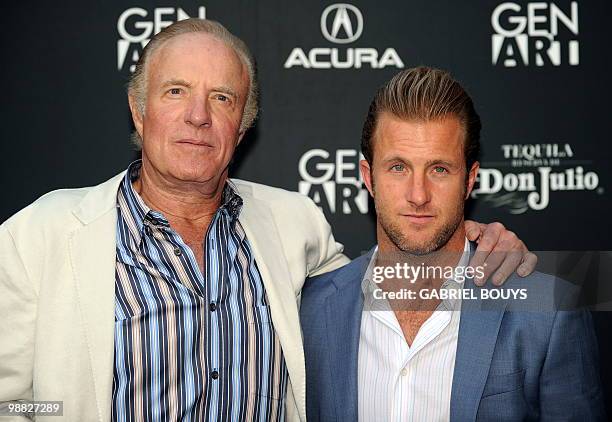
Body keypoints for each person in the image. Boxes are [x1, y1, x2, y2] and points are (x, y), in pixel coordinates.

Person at [0, 20, 535, 422]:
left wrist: (477, 239)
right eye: (176, 91)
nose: (198, 116)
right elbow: (11, 400)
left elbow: (376, 291)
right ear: (139, 112)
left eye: (222, 98)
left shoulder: (295, 224)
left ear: (242, 124)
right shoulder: (41, 236)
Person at [300, 66, 605, 421]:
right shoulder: (311, 311)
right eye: (398, 167)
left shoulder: (550, 314)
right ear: (369, 177)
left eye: (439, 169)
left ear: (470, 179)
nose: (418, 195)